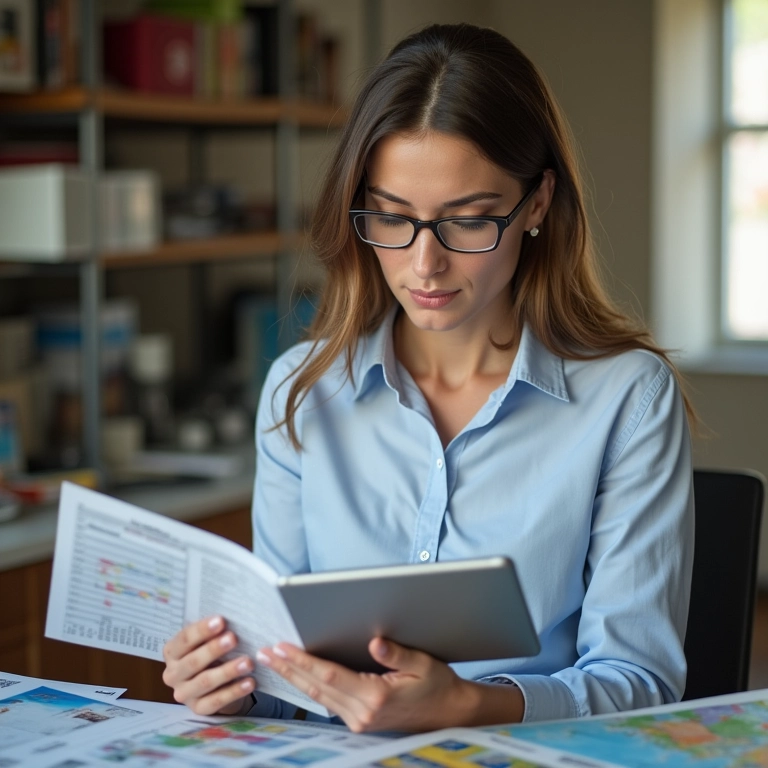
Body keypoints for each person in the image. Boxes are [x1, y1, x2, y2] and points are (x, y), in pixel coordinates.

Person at [162, 22, 695, 732]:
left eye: (468, 221)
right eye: (391, 218)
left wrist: (471, 704)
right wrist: (232, 684)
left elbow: (641, 681)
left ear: (536, 203)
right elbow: (282, 671)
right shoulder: (300, 391)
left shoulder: (628, 398)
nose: (424, 265)